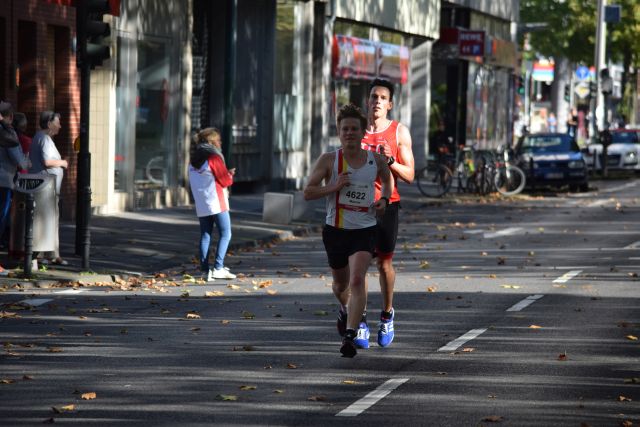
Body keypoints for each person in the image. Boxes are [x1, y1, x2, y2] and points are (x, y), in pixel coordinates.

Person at [304, 103, 392, 357]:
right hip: (336, 230)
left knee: (357, 280)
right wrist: (333, 186)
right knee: (340, 286)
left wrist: (384, 200)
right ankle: (345, 309)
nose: (350, 133)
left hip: (365, 229)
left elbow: (387, 180)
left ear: (363, 132)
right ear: (339, 132)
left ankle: (351, 334)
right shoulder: (330, 160)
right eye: (345, 129)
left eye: (354, 129)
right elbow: (308, 192)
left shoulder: (375, 160)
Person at [359, 78, 415, 349]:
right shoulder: (355, 130)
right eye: (374, 96)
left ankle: (386, 314)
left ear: (390, 104)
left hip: (387, 205)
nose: (377, 101)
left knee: (383, 264)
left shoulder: (399, 132)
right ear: (367, 101)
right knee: (357, 264)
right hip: (357, 206)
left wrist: (391, 160)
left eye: (383, 98)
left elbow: (410, 175)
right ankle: (358, 319)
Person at [188, 127, 237, 282]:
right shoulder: (214, 158)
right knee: (226, 233)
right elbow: (225, 181)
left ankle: (204, 270)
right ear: (212, 141)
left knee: (205, 235)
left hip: (202, 202)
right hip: (217, 201)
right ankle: (218, 267)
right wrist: (230, 174)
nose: (220, 143)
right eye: (219, 140)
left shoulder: (194, 159)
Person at [29, 111, 68, 265]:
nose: (60, 126)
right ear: (49, 123)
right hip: (45, 189)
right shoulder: (44, 139)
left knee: (50, 221)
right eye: (57, 122)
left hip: (48, 188)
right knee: (45, 221)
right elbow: (47, 162)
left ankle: (52, 254)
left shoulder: (42, 138)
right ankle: (41, 256)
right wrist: (63, 163)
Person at [0, 102, 29, 247]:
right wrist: (27, 162)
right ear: (10, 117)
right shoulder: (7, 133)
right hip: (3, 180)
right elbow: (19, 160)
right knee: (2, 216)